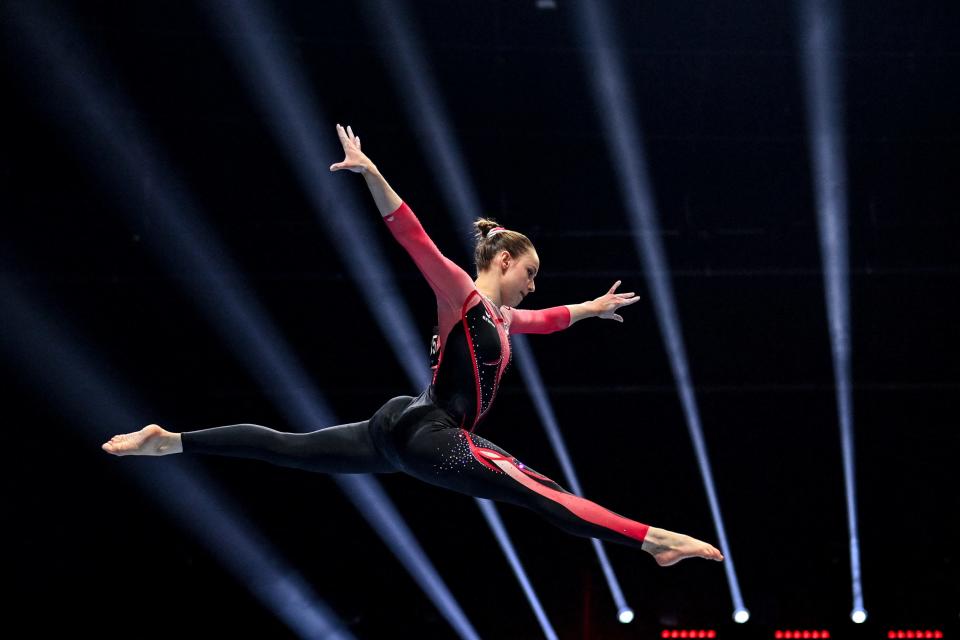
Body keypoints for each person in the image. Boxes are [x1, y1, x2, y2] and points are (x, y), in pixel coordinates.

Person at [103, 124, 723, 567]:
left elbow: (549, 320)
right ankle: (651, 539)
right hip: (433, 435)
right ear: (502, 261)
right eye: (528, 274)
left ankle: (174, 441)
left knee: (289, 449)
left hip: (398, 429)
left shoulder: (505, 321)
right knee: (542, 493)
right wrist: (372, 172)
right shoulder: (463, 294)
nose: (532, 287)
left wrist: (592, 307)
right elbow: (414, 237)